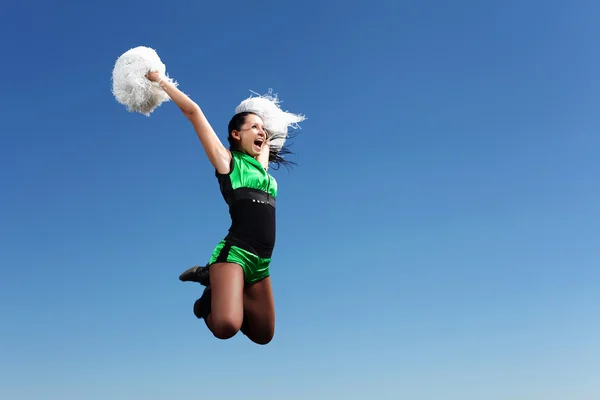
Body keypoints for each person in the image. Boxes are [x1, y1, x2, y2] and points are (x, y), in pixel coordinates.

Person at [145, 71, 301, 345]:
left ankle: (215, 283)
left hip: (261, 262)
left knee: (263, 335)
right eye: (253, 127)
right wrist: (160, 81)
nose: (261, 132)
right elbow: (194, 113)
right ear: (235, 134)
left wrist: (267, 120)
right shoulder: (228, 162)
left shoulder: (262, 168)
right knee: (226, 326)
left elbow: (269, 135)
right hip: (235, 255)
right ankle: (206, 301)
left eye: (262, 129)